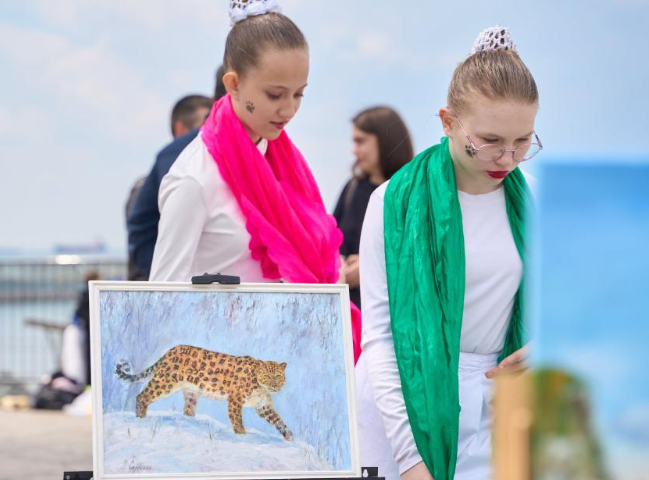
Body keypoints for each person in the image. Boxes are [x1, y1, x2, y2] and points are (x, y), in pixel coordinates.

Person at [356, 26, 543, 480]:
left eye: (523, 141)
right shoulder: (392, 202)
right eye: (490, 140)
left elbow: (571, 298)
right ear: (447, 121)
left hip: (498, 404)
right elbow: (381, 341)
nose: (507, 158)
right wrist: (411, 458)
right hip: (398, 405)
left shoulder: (534, 198)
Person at [150, 0, 362, 360]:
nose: (289, 110)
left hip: (284, 361)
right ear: (233, 84)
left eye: (299, 94)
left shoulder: (278, 160)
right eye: (275, 95)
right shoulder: (194, 180)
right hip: (223, 371)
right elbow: (160, 301)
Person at [127, 72, 227, 280]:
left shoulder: (264, 150)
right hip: (184, 286)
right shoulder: (184, 156)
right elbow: (143, 226)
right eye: (273, 94)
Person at [333, 106, 413, 309]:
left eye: (360, 141)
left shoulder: (413, 192)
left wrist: (370, 267)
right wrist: (339, 265)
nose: (354, 150)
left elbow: (421, 256)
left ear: (385, 141)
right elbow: (331, 241)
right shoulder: (352, 188)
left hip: (394, 315)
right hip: (349, 313)